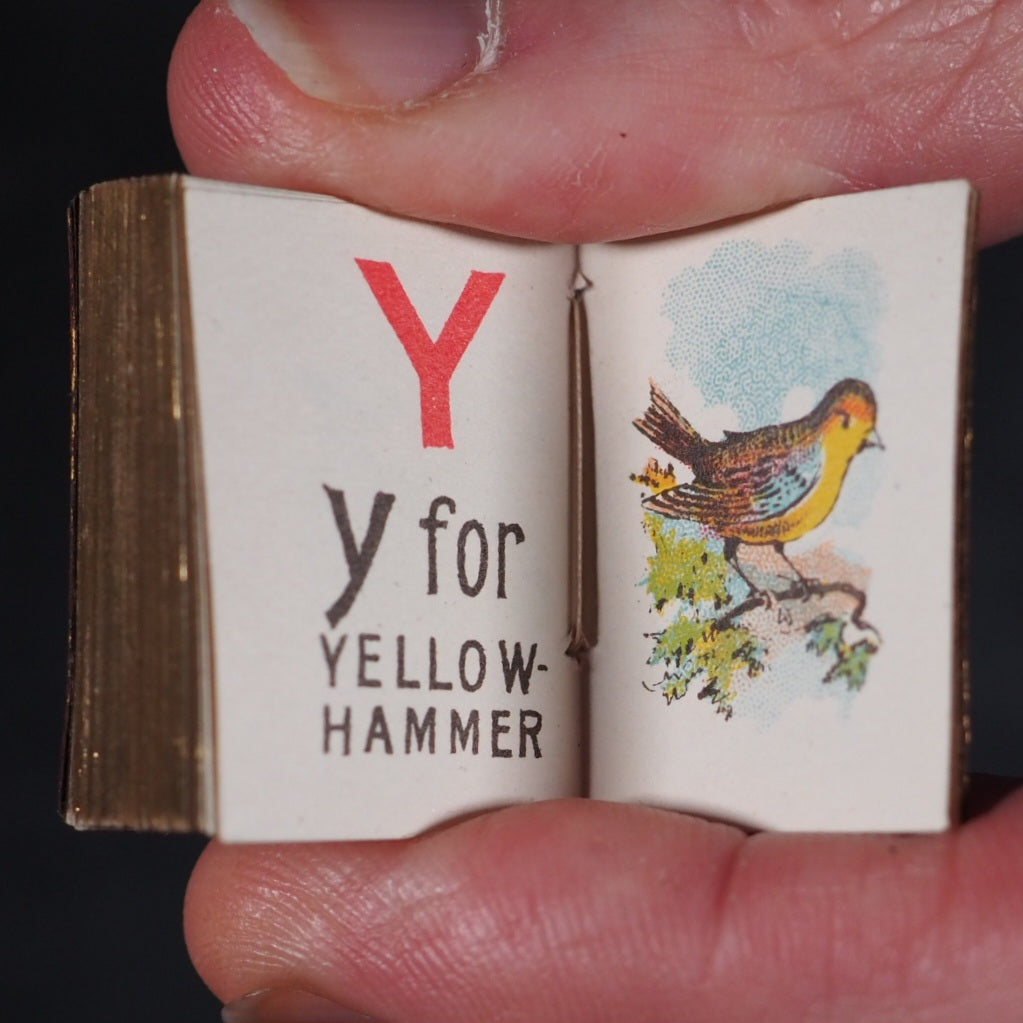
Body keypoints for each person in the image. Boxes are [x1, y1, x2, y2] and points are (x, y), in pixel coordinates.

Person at [168, 2, 1023, 1020]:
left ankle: (770, 588)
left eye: (860, 427)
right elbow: (740, 494)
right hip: (723, 499)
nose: (858, 436)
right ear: (833, 422)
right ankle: (756, 587)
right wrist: (714, 507)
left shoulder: (819, 459)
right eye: (852, 423)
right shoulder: (799, 464)